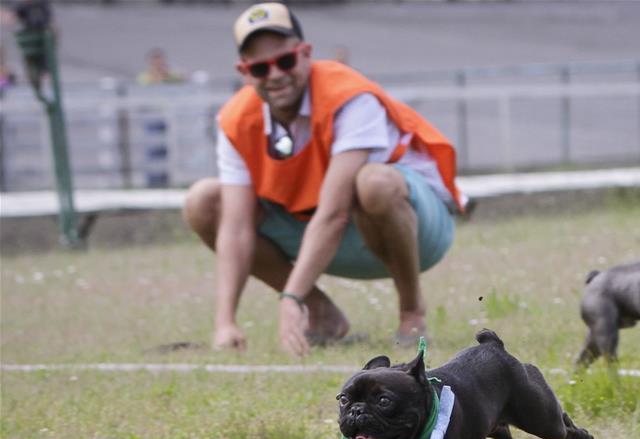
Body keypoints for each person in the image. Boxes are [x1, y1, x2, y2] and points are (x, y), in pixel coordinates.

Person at [183, 2, 464, 357]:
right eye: (259, 67)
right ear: (244, 72)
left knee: (373, 183)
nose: (275, 75)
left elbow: (334, 214)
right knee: (204, 201)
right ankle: (321, 313)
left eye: (284, 61)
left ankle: (412, 312)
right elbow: (235, 227)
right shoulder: (236, 120)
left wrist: (289, 297)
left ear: (305, 53)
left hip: (419, 230)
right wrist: (225, 322)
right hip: (323, 229)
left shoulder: (348, 96)